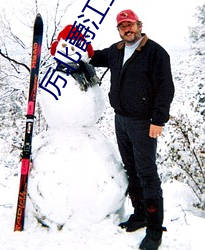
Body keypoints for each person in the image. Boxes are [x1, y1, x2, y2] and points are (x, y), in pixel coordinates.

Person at [90, 9, 174, 250]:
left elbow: (165, 88)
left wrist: (158, 120)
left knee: (147, 173)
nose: (127, 29)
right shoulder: (116, 51)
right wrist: (76, 46)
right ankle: (140, 214)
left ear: (139, 24)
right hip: (121, 120)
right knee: (132, 169)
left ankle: (155, 231)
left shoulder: (155, 52)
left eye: (130, 24)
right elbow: (95, 57)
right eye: (122, 26)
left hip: (144, 123)